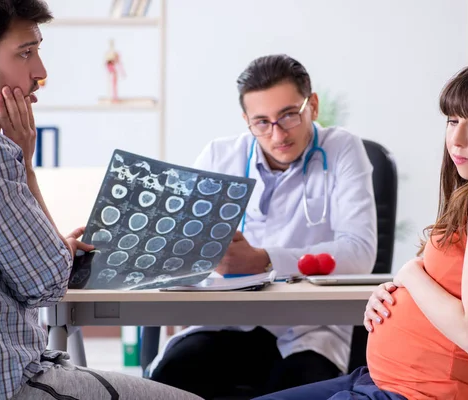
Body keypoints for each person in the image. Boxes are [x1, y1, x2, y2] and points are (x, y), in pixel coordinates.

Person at [252, 57, 468, 400]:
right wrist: (396, 292)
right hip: (387, 381)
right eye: (452, 120)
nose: (456, 139)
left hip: (421, 393)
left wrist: (410, 274)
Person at [0, 1, 201, 399]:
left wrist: (53, 250)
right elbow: (46, 284)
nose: (40, 72)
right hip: (6, 383)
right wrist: (24, 162)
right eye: (25, 53)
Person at [148, 54, 378, 399]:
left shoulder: (342, 149)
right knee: (171, 377)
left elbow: (359, 253)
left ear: (311, 105)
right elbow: (179, 245)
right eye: (261, 122)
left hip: (308, 328)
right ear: (246, 120)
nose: (277, 134)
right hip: (226, 321)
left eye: (288, 115)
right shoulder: (219, 155)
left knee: (302, 383)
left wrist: (264, 259)